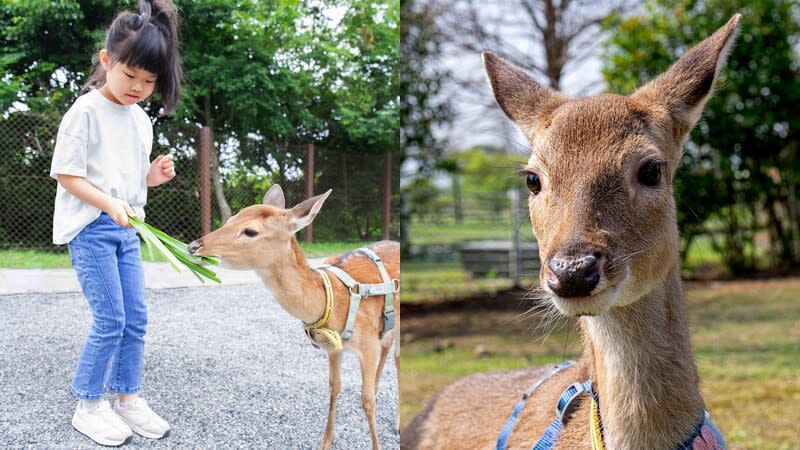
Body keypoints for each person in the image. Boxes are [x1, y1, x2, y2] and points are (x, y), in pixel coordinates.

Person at [49, 0, 182, 446]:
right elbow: (67, 174)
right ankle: (88, 403)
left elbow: (125, 181)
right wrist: (107, 203)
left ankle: (127, 398)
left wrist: (152, 177)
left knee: (136, 319)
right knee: (110, 319)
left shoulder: (141, 120)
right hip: (91, 229)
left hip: (127, 231)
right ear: (107, 61)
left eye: (149, 81)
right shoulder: (84, 111)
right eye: (130, 76)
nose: (138, 87)